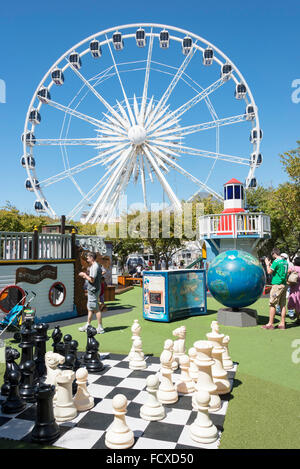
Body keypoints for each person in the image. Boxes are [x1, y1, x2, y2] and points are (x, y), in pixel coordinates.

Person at [262, 247, 289, 330]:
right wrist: (271, 265)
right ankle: (282, 323)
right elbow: (277, 270)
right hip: (283, 285)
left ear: (274, 254)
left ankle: (270, 324)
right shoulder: (285, 262)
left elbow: (269, 272)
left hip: (277, 285)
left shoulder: (276, 261)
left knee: (272, 304)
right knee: (282, 304)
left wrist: (267, 264)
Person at [78, 252, 105, 334]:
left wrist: (84, 275)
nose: (87, 259)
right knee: (90, 308)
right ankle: (88, 325)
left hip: (93, 290)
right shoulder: (96, 266)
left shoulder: (94, 267)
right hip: (94, 289)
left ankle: (100, 328)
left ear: (92, 258)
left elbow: (92, 280)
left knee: (96, 309)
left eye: (88, 257)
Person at [287, 256, 300, 323]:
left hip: (294, 287)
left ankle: (294, 316)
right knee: (298, 303)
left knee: (293, 302)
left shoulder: (293, 268)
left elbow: (286, 272)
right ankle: (297, 318)